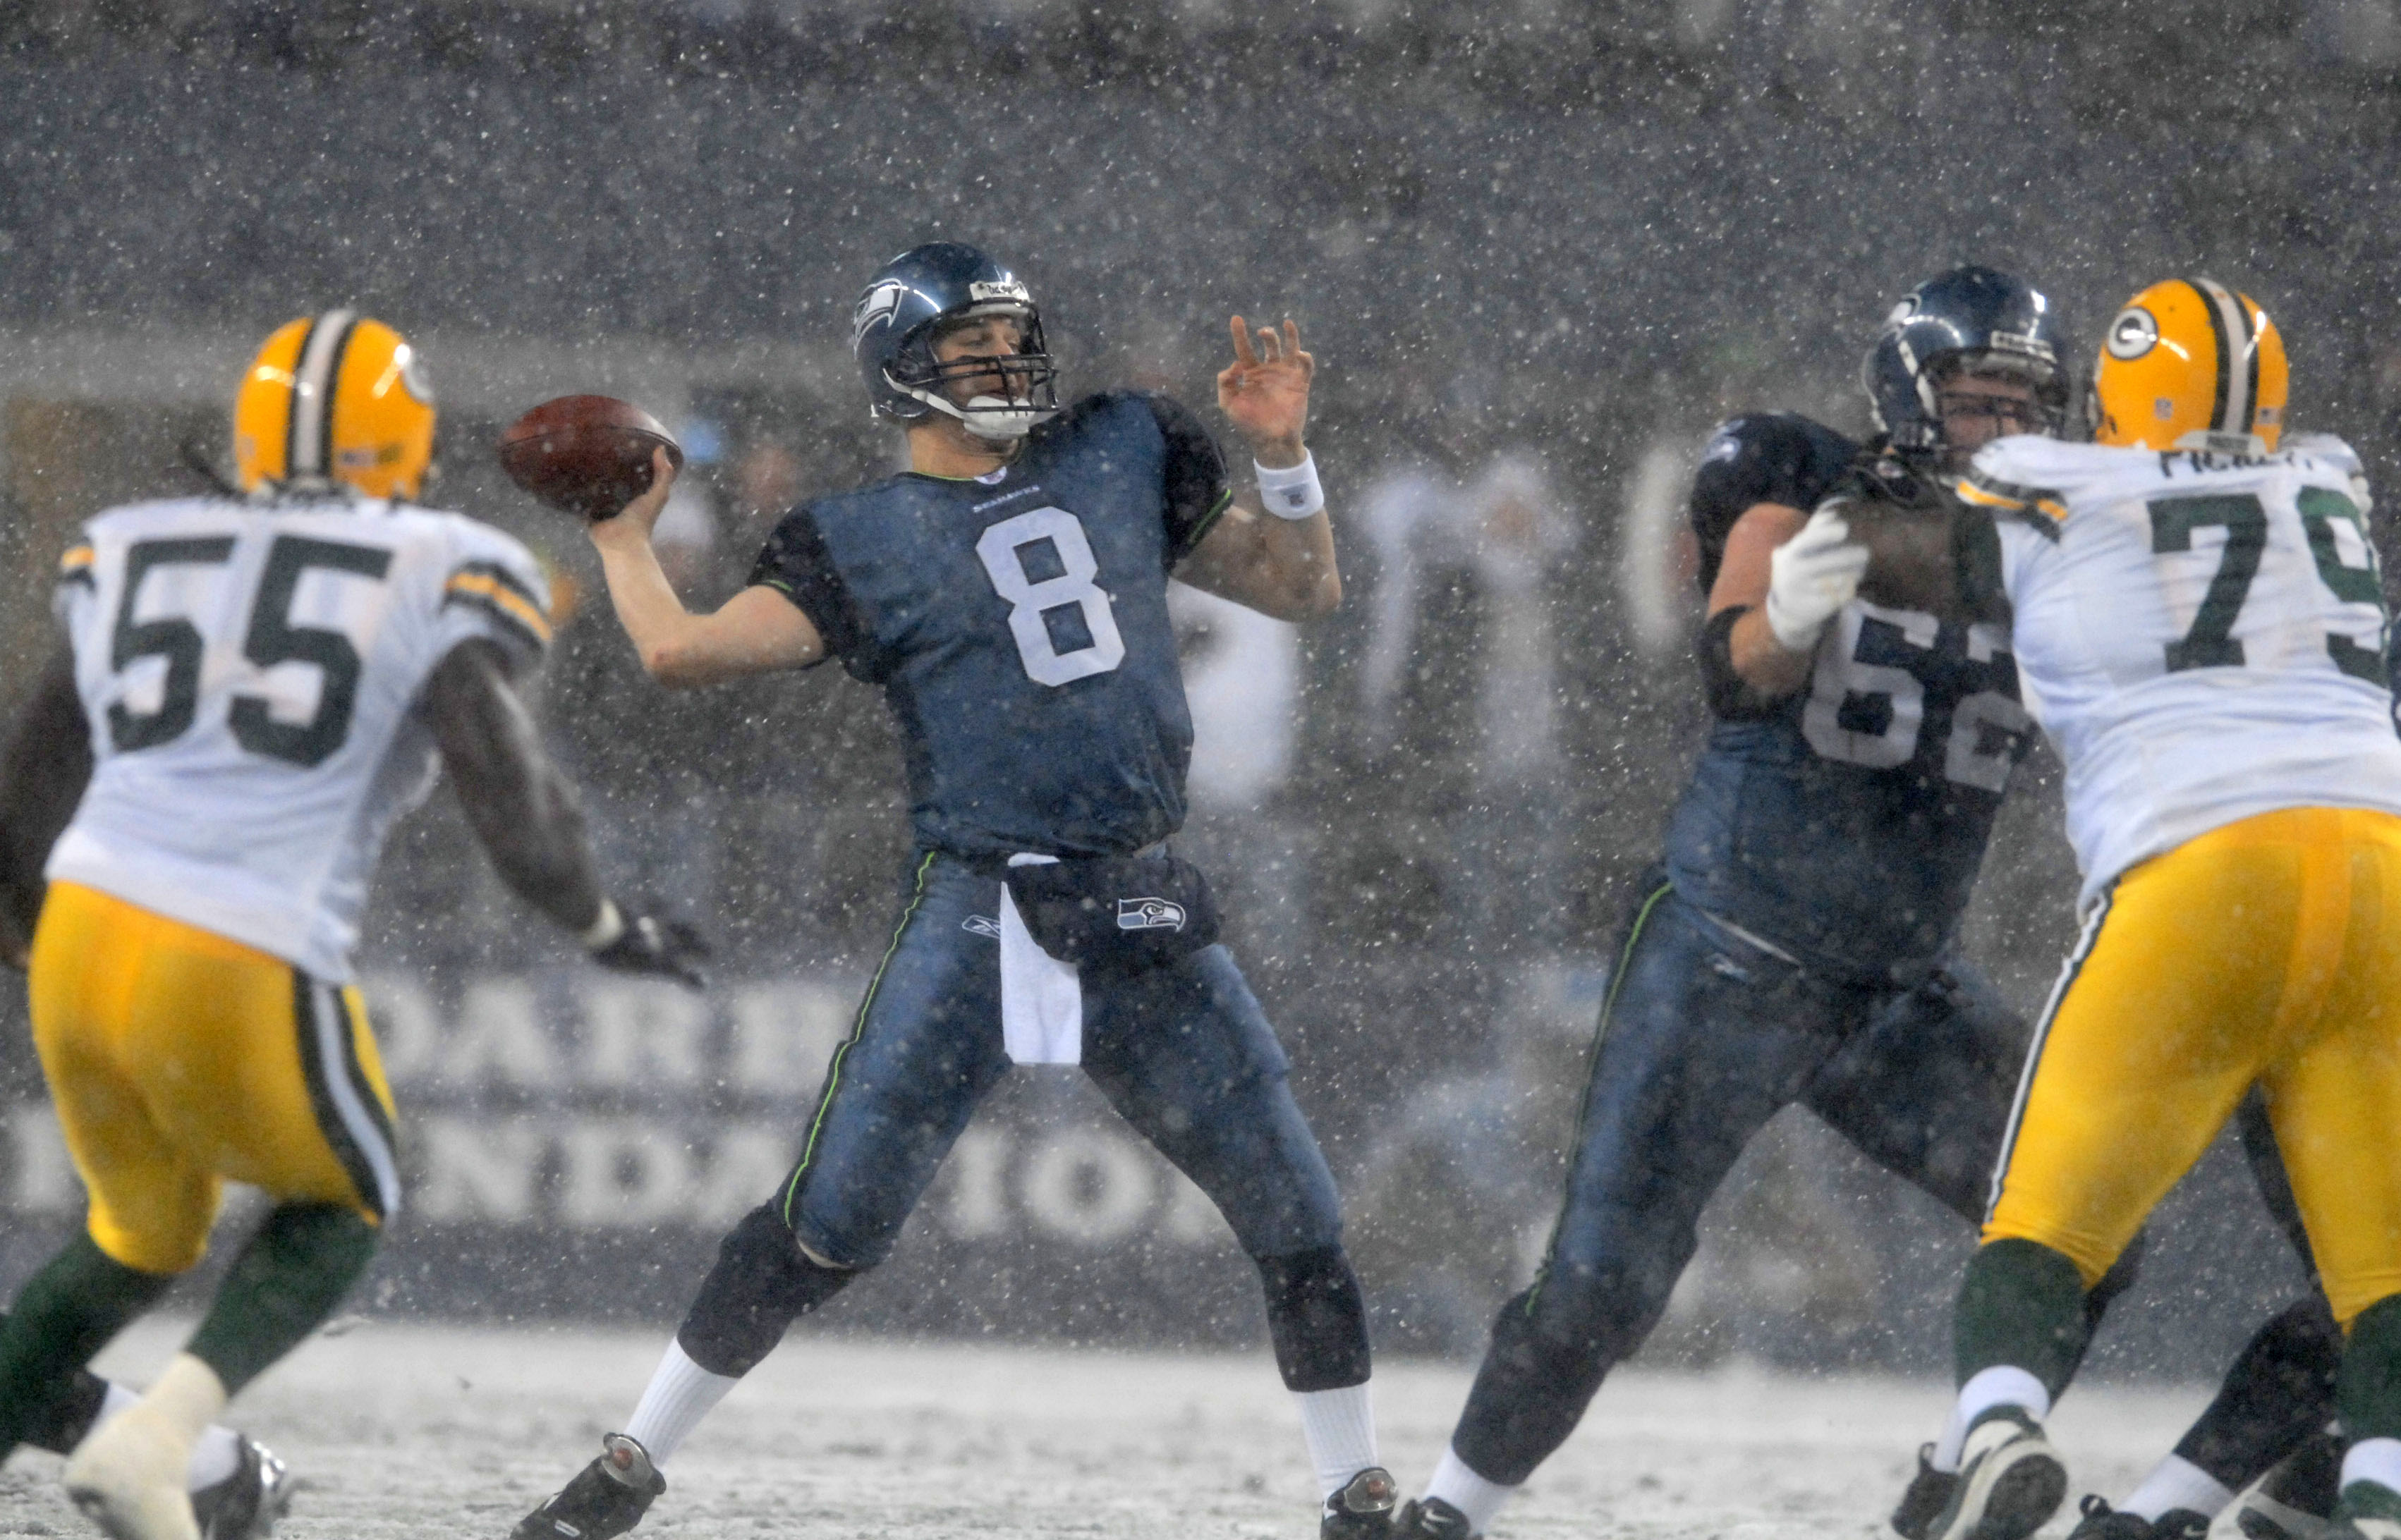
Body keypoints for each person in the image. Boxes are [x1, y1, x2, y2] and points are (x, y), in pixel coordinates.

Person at [1386, 267, 2334, 1540]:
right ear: (1909, 388)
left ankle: (1963, 1474)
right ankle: (1447, 1512)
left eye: (2022, 400)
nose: (1999, 422)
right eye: (1975, 396)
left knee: (2087, 1238)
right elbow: (1739, 670)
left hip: (1901, 986)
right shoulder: (1798, 471)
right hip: (1731, 951)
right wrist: (1803, 595)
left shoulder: (2071, 536)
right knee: (1604, 1286)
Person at [508, 242, 1388, 1540]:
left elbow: (1305, 586)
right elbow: (676, 651)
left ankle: (1354, 1491)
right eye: (973, 347)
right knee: (829, 1223)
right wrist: (616, 536)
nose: (1009, 363)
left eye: (1013, 338)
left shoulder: (1121, 444)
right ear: (904, 373)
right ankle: (632, 1462)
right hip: (982, 902)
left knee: (1300, 1216)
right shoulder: (854, 538)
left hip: (1138, 898)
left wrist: (1285, 453)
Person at [0, 310, 705, 1540]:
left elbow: (31, 776)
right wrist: (600, 922)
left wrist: (24, 930)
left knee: (137, 1235)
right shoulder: (436, 560)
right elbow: (507, 787)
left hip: (82, 930)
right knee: (349, 1195)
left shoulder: (134, 546)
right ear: (406, 441)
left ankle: (150, 1464)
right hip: (241, 936)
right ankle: (156, 1445)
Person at [1885, 278, 2401, 1540]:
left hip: (2205, 868)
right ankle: (2381, 1503)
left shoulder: (2051, 484)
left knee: (2045, 1227)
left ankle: (1998, 1426)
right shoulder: (2329, 480)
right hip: (2384, 868)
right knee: (2384, 1277)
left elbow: (1911, 547)